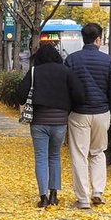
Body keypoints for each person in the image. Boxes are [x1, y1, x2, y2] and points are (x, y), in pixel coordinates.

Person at [17, 43, 84, 208]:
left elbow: (20, 94)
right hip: (60, 122)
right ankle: (54, 194)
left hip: (39, 122)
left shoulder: (35, 72)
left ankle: (43, 196)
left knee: (41, 158)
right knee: (54, 157)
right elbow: (79, 94)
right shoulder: (66, 72)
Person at [64, 23, 111, 209]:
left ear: (83, 38)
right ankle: (98, 191)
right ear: (98, 39)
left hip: (79, 113)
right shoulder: (109, 61)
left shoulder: (72, 60)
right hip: (101, 111)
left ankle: (82, 198)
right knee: (98, 152)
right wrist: (109, 110)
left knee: (79, 155)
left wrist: (69, 109)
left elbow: (66, 88)